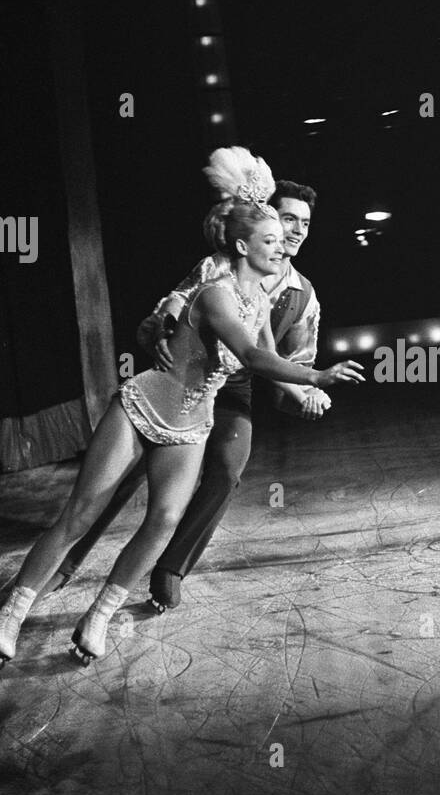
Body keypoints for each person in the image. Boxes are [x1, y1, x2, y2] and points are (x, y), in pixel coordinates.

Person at [0, 148, 363, 670]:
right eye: (275, 233)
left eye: (295, 231)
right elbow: (250, 351)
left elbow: (270, 361)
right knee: (83, 509)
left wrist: (308, 391)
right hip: (151, 400)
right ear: (245, 242)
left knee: (165, 517)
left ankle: (100, 615)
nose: (286, 242)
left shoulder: (283, 297)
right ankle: (16, 607)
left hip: (200, 414)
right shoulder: (216, 286)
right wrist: (316, 374)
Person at [46, 179, 326, 613]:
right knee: (127, 471)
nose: (296, 230)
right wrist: (164, 323)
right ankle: (65, 564)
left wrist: (309, 391)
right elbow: (176, 300)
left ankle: (170, 569)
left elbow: (283, 359)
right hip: (184, 377)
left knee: (228, 469)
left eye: (304, 223)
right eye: (287, 218)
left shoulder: (303, 296)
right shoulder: (219, 265)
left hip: (235, 387)